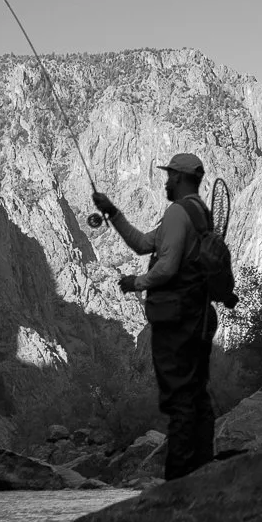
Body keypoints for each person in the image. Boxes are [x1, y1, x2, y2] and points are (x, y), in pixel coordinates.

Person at [92, 152, 218, 480]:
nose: (166, 180)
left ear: (180, 177)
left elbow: (167, 266)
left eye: (170, 175)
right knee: (196, 396)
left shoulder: (178, 213)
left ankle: (178, 482)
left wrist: (136, 282)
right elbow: (142, 244)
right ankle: (203, 473)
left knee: (179, 401)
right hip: (195, 318)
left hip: (178, 323)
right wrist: (112, 212)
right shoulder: (196, 213)